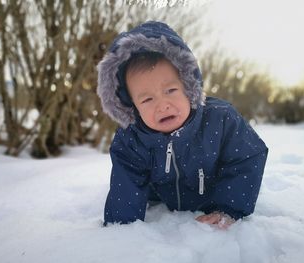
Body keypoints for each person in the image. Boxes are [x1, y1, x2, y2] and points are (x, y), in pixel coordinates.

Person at [97, 21, 268, 229]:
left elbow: (247, 158)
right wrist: (120, 228)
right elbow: (126, 182)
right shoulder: (132, 138)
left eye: (170, 91)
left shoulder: (221, 120)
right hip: (160, 196)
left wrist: (229, 208)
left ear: (188, 86)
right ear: (131, 105)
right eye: (147, 100)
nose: (163, 106)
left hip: (211, 195)